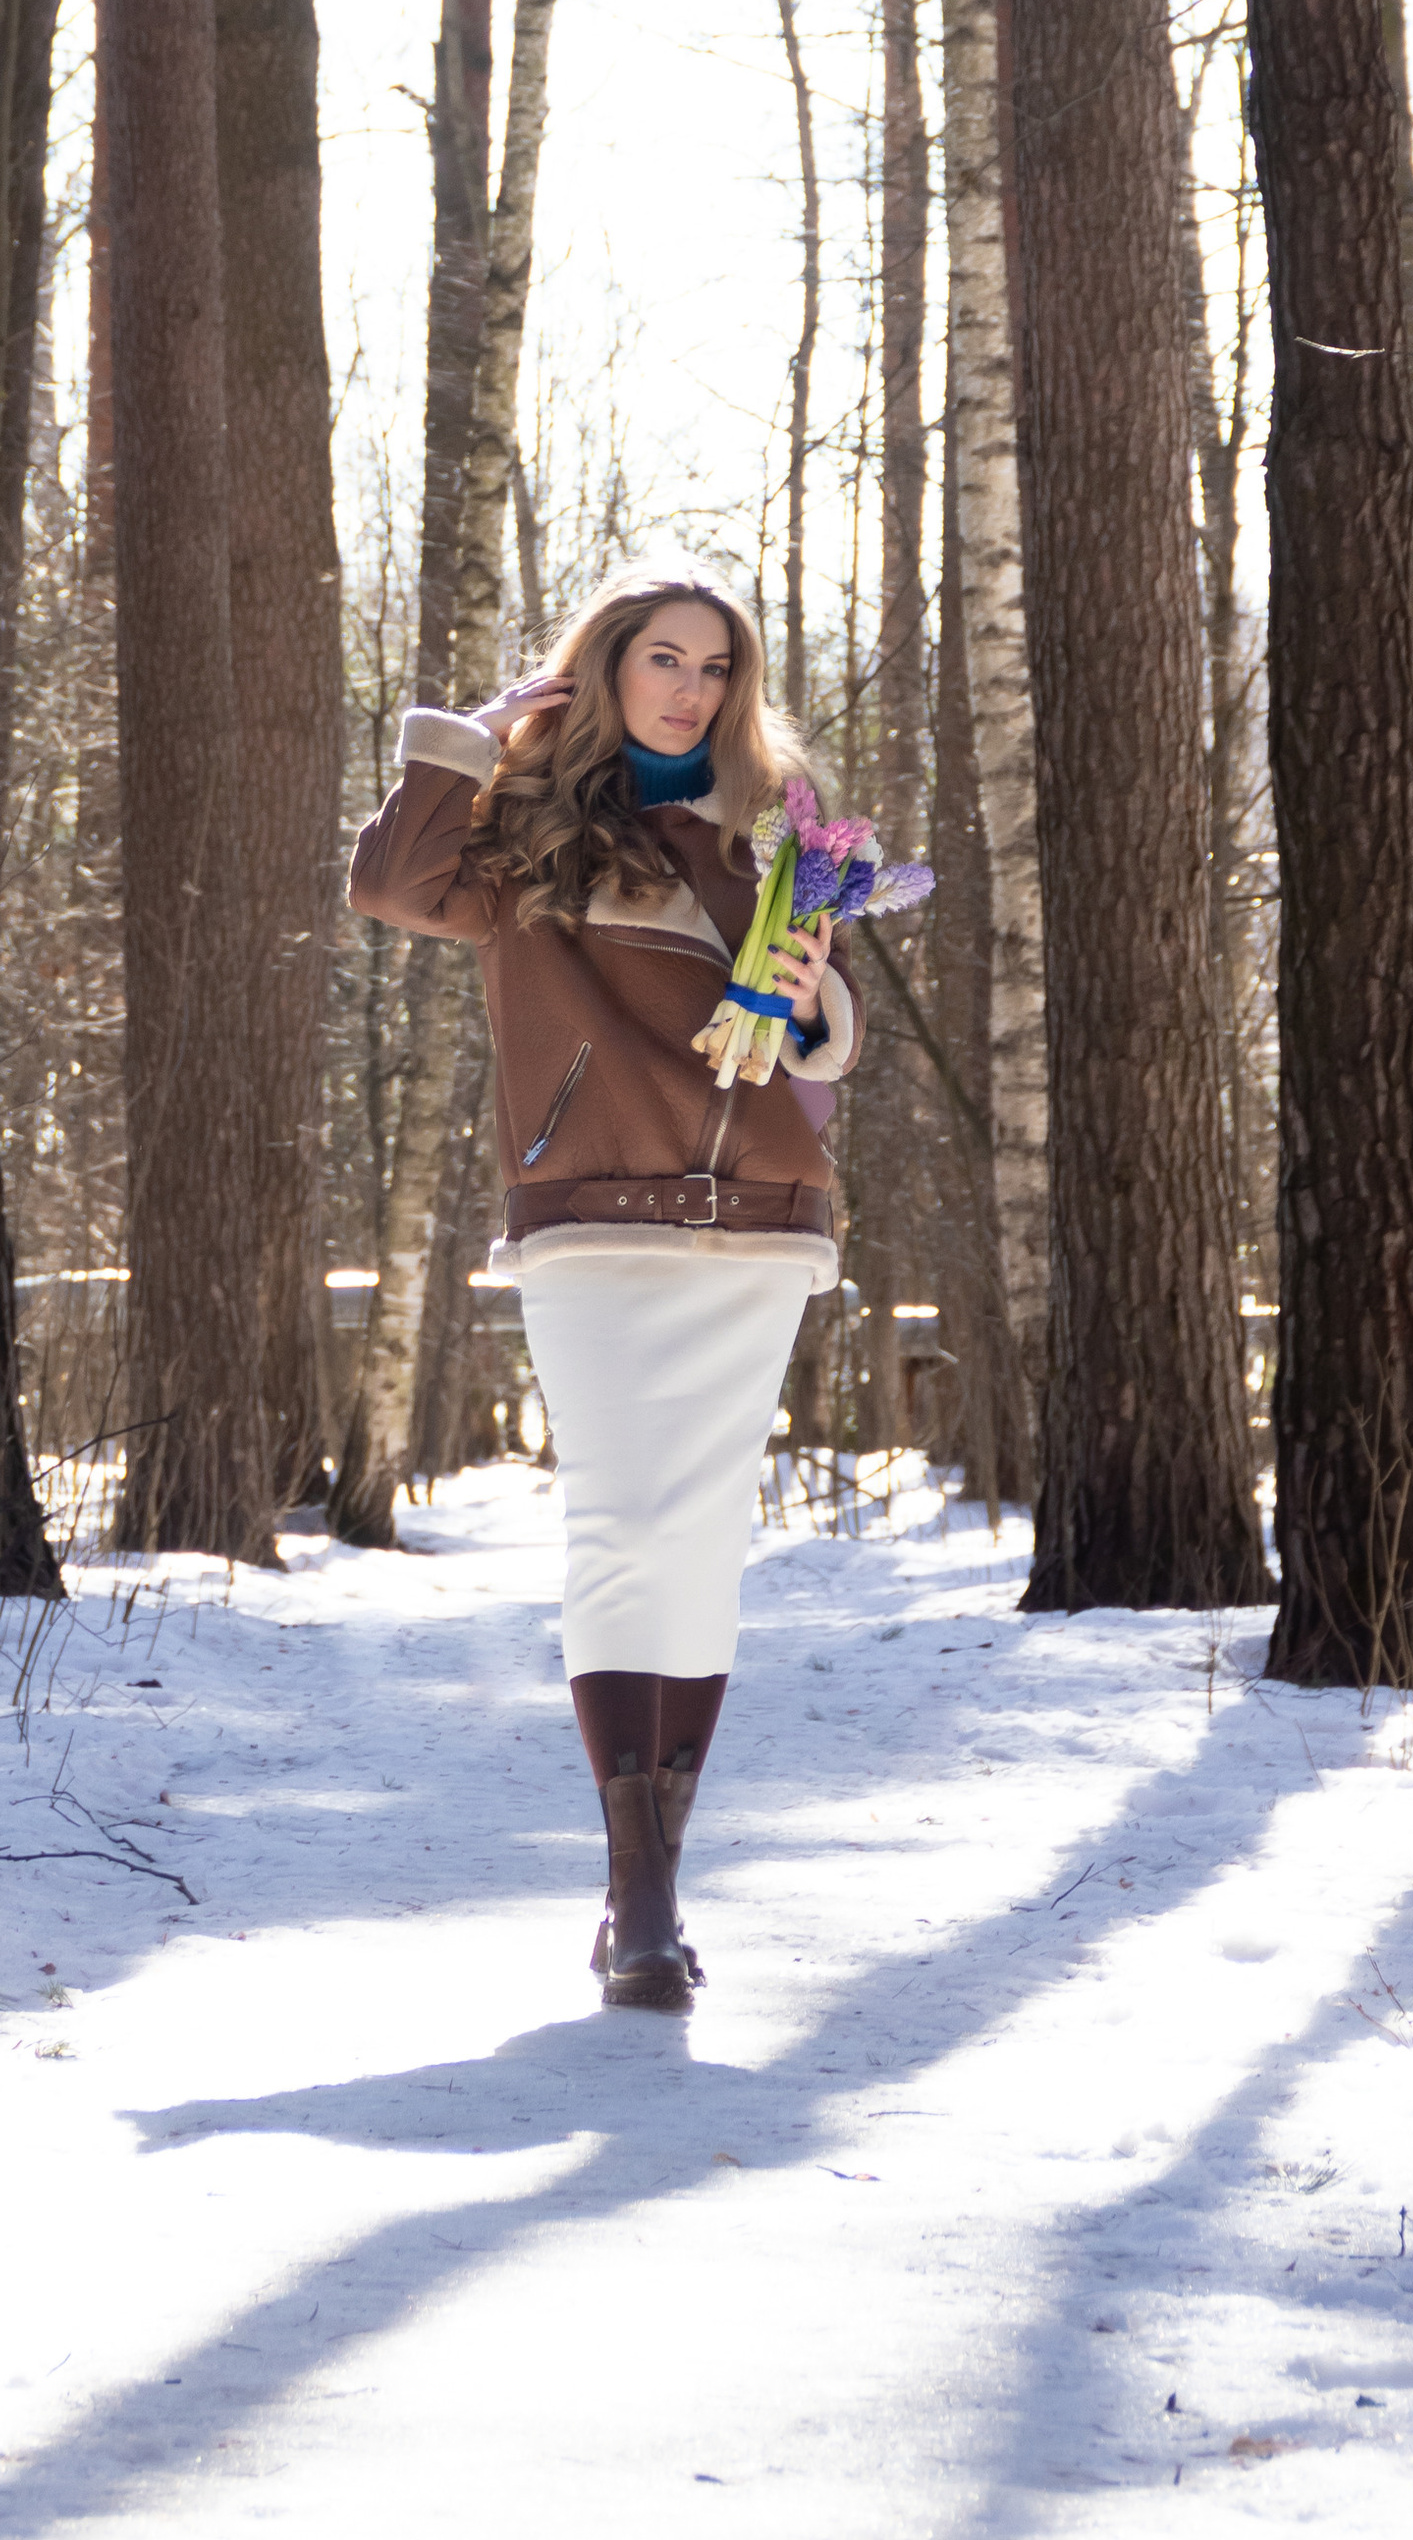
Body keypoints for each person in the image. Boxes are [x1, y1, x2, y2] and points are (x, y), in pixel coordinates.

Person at [348, 561, 856, 2014]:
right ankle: (637, 1888)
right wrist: (476, 736)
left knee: (699, 1541)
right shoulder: (531, 829)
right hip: (593, 1214)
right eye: (664, 659)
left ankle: (649, 1895)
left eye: (716, 666)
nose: (691, 689)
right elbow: (389, 884)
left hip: (758, 1221)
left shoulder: (776, 839)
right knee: (622, 1525)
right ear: (608, 667)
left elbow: (823, 1050)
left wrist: (812, 1002)